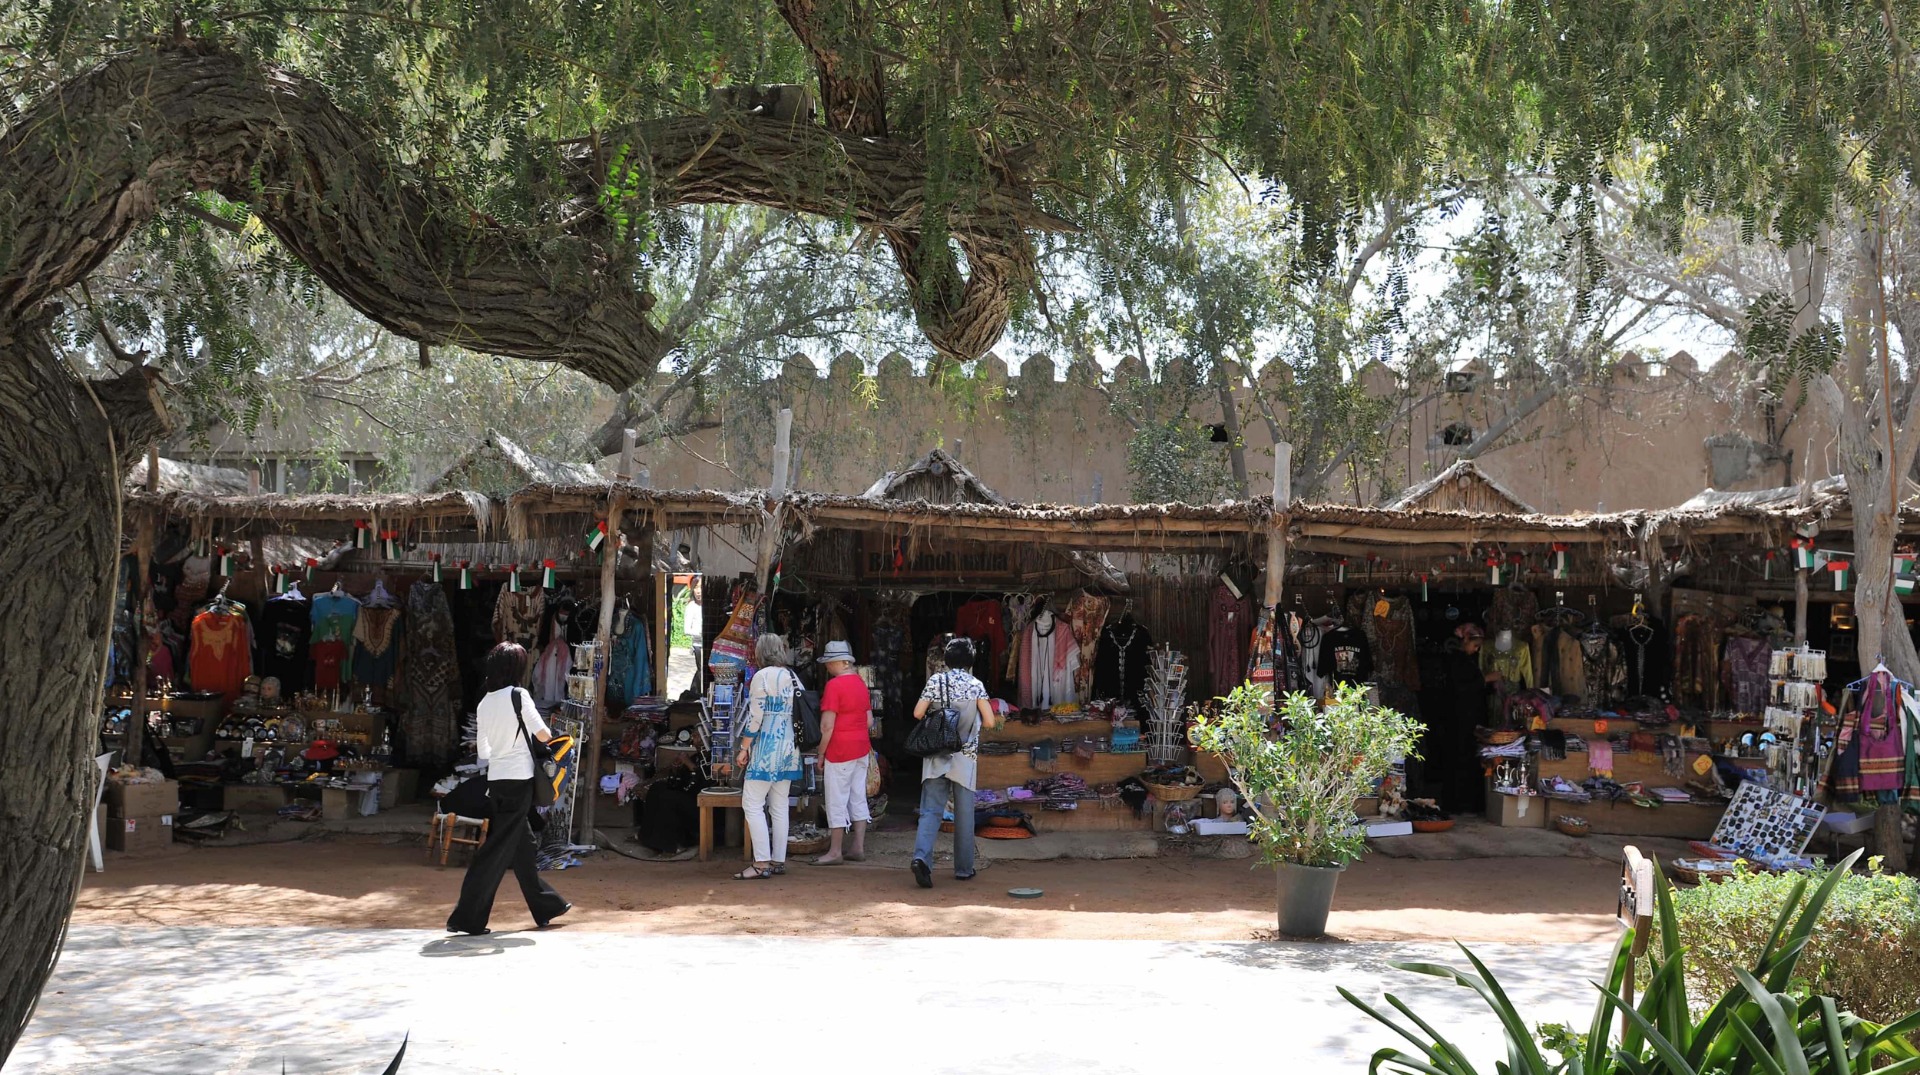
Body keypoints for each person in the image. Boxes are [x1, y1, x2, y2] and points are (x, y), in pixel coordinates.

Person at [446, 642, 571, 936]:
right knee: (496, 851)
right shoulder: (519, 696)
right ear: (516, 669)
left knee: (523, 846)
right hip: (519, 779)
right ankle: (466, 917)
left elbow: (484, 753)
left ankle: (546, 905)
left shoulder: (484, 703)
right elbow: (544, 734)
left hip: (497, 779)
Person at [910, 637, 1001, 888]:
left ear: (947, 660)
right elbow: (990, 722)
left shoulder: (935, 680)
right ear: (971, 660)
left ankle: (921, 859)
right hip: (965, 756)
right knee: (964, 814)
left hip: (936, 753)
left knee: (930, 811)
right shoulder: (975, 684)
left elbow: (918, 713)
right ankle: (963, 869)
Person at [732, 633, 803, 880]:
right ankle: (778, 860)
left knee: (751, 803)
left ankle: (761, 862)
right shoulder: (793, 677)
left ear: (760, 653)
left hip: (766, 747)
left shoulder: (761, 677)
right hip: (789, 749)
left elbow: (755, 718)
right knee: (780, 805)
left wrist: (744, 747)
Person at [811, 641, 872, 866]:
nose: (827, 667)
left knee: (836, 799)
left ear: (838, 662)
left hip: (840, 749)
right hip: (861, 747)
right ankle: (858, 846)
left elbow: (827, 727)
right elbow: (869, 720)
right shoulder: (860, 683)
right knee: (858, 796)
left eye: (828, 663)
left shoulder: (834, 686)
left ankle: (835, 851)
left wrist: (820, 754)